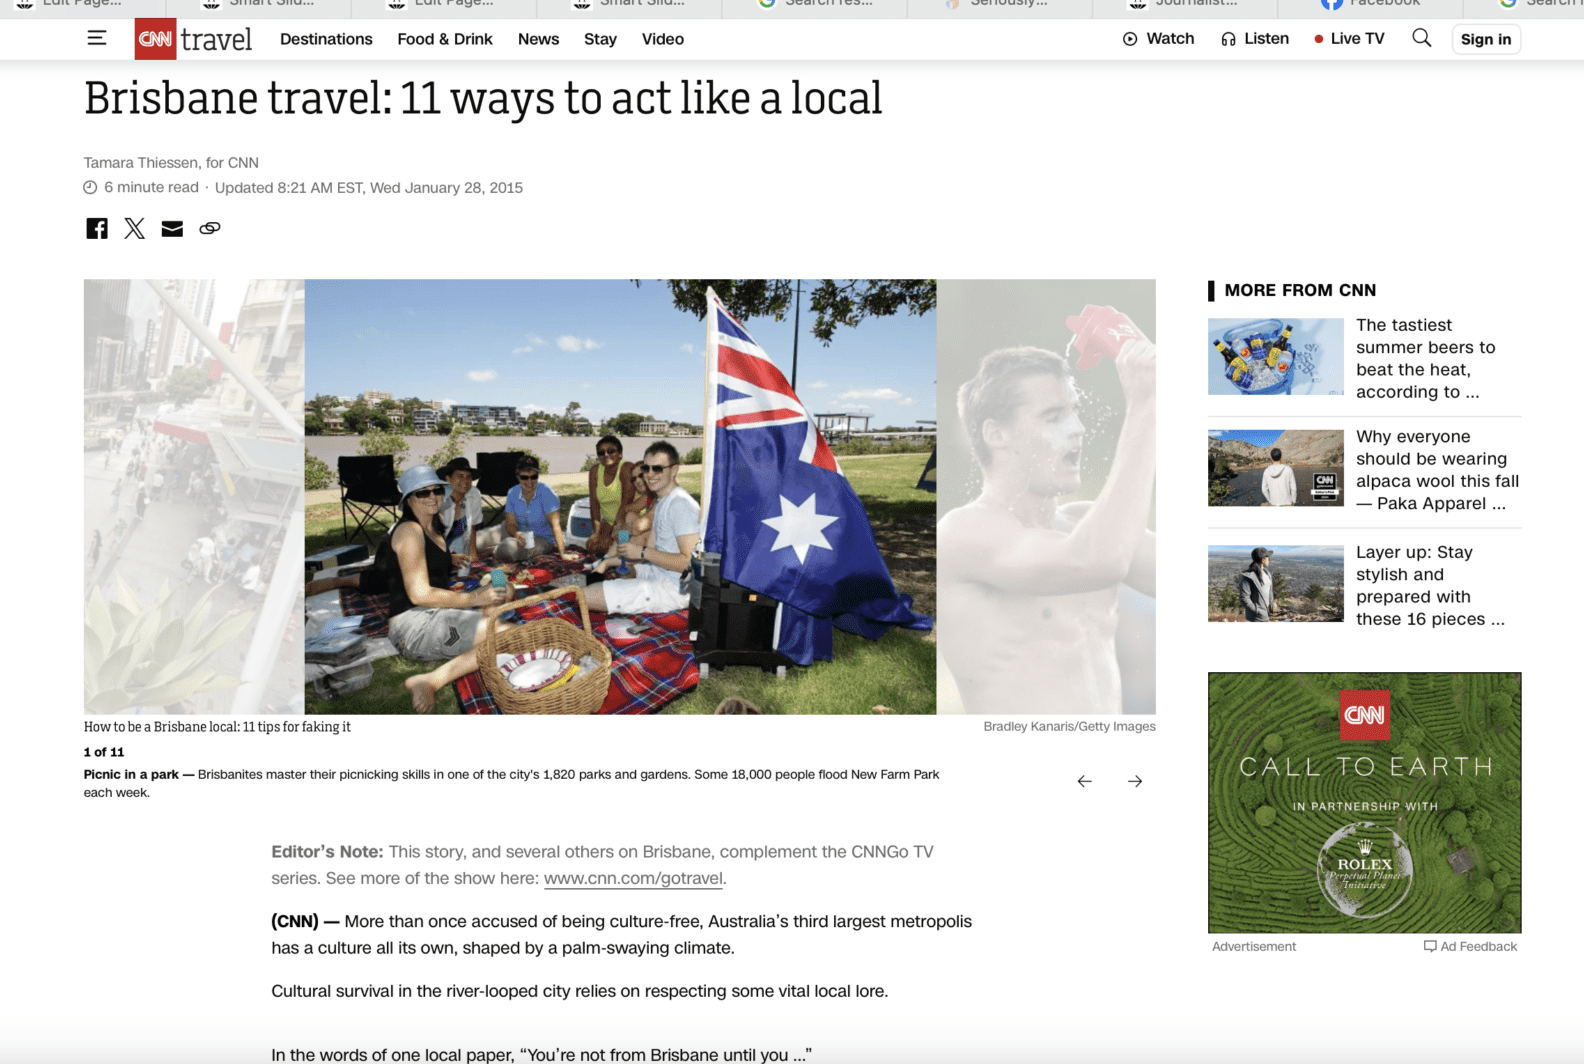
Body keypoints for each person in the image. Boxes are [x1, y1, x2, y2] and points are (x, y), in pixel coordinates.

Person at [938, 341, 1156, 715]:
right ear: (996, 434)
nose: (1079, 429)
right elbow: (1095, 561)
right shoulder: (962, 532)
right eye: (1054, 417)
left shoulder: (1085, 523)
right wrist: (1147, 404)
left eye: (1075, 412)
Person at [386, 464, 515, 680]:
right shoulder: (410, 530)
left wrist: (453, 560)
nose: (432, 496)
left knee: (504, 586)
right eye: (422, 492)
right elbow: (419, 594)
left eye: (436, 490)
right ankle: (432, 680)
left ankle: (484, 624)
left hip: (438, 610)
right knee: (512, 635)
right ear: (409, 499)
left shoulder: (432, 528)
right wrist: (474, 598)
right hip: (414, 624)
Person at [495, 455, 576, 563]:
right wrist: (517, 534)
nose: (529, 481)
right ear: (518, 475)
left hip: (542, 538)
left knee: (507, 548)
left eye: (534, 476)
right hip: (518, 532)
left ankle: (495, 550)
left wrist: (563, 553)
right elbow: (510, 523)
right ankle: (494, 549)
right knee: (480, 539)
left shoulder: (547, 493)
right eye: (524, 477)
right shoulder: (512, 492)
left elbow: (556, 526)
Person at [584, 435, 634, 557]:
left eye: (611, 450)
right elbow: (594, 504)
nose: (606, 454)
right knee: (592, 546)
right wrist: (596, 532)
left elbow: (626, 504)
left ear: (620, 453)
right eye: (601, 452)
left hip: (628, 520)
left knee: (618, 549)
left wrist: (614, 532)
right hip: (608, 521)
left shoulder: (627, 468)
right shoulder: (595, 471)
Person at [437, 457, 484, 565]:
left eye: (469, 477)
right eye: (460, 476)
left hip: (460, 543)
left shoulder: (473, 493)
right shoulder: (438, 499)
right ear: (448, 478)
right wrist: (447, 558)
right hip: (436, 550)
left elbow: (472, 528)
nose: (465, 481)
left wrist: (475, 559)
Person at [1240, 547, 1275, 622]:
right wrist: (1258, 611)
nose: (1269, 559)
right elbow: (1244, 598)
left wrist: (1270, 607)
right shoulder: (1249, 577)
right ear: (1263, 560)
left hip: (1266, 614)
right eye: (1268, 557)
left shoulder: (1267, 573)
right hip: (1256, 618)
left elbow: (1269, 592)